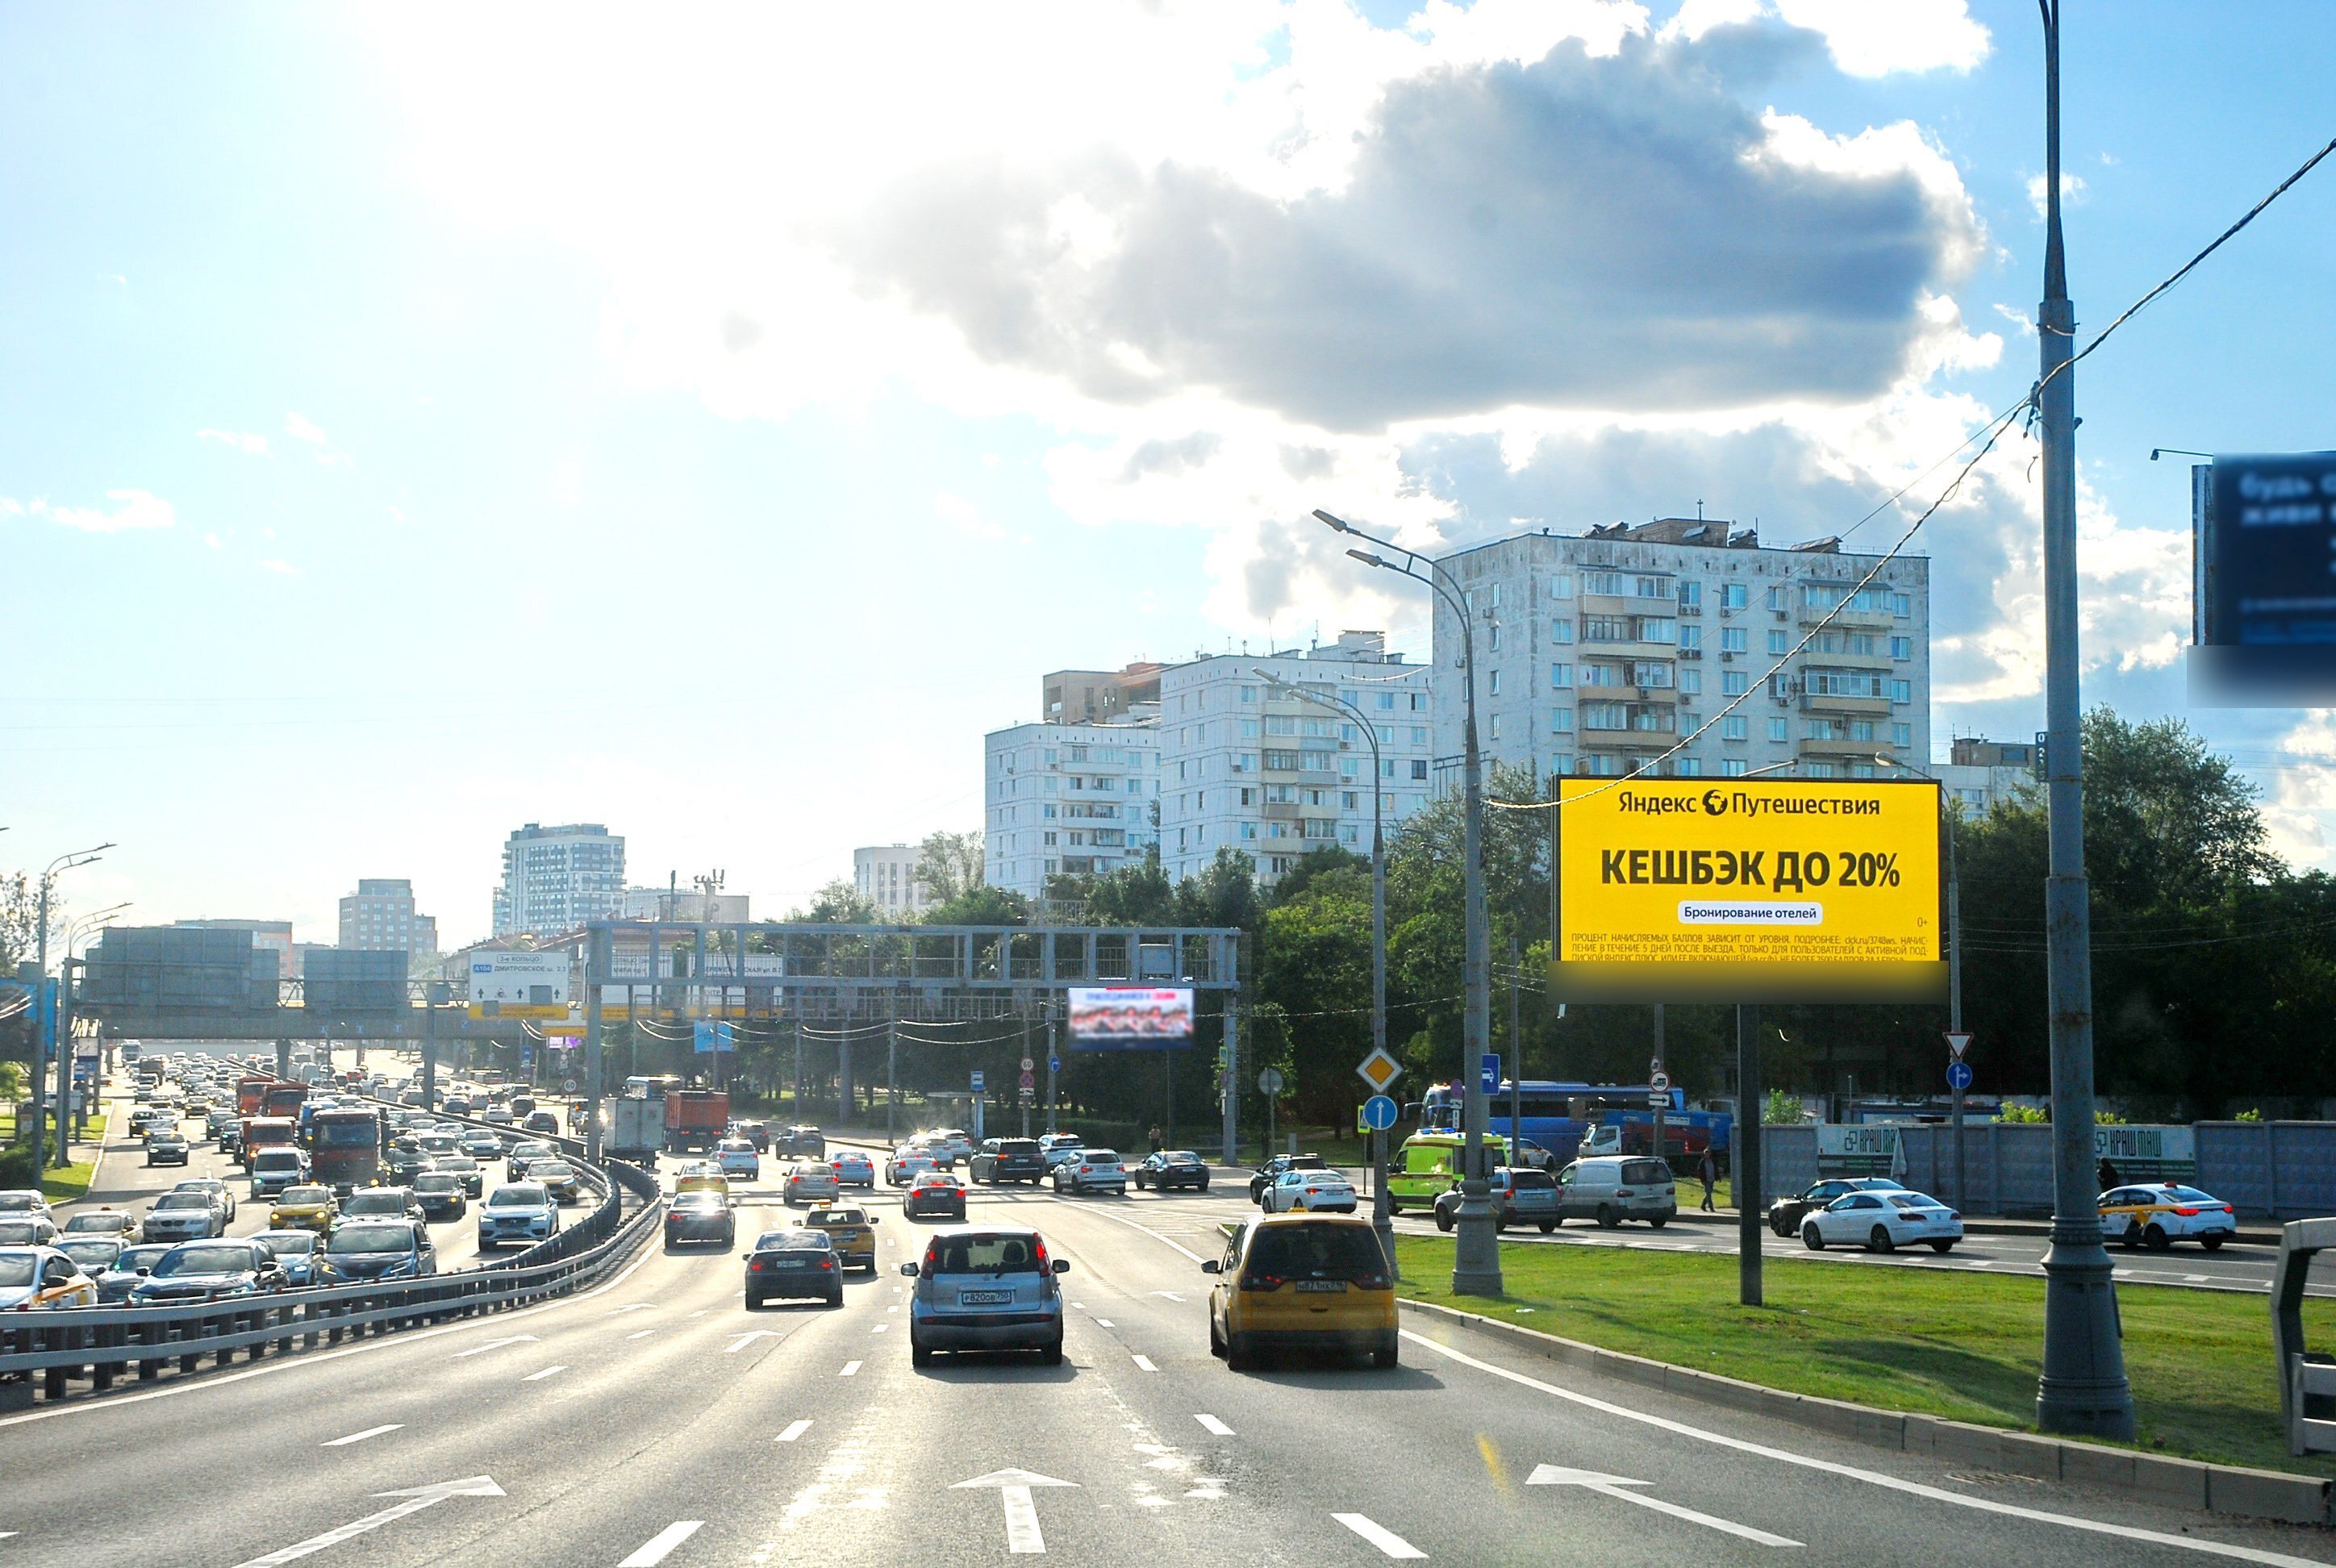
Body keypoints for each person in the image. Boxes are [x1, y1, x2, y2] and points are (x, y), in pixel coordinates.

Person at [1697, 1145, 1718, 1212]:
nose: (1707, 1155)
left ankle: (1703, 1205)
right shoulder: (1702, 1162)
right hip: (1706, 1180)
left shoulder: (1712, 1161)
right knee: (1709, 1194)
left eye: (1708, 1154)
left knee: (1709, 1193)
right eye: (1706, 1154)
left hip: (1712, 1179)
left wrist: (1718, 1177)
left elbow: (1716, 1170)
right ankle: (1711, 1207)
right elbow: (1700, 1172)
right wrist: (1702, 1180)